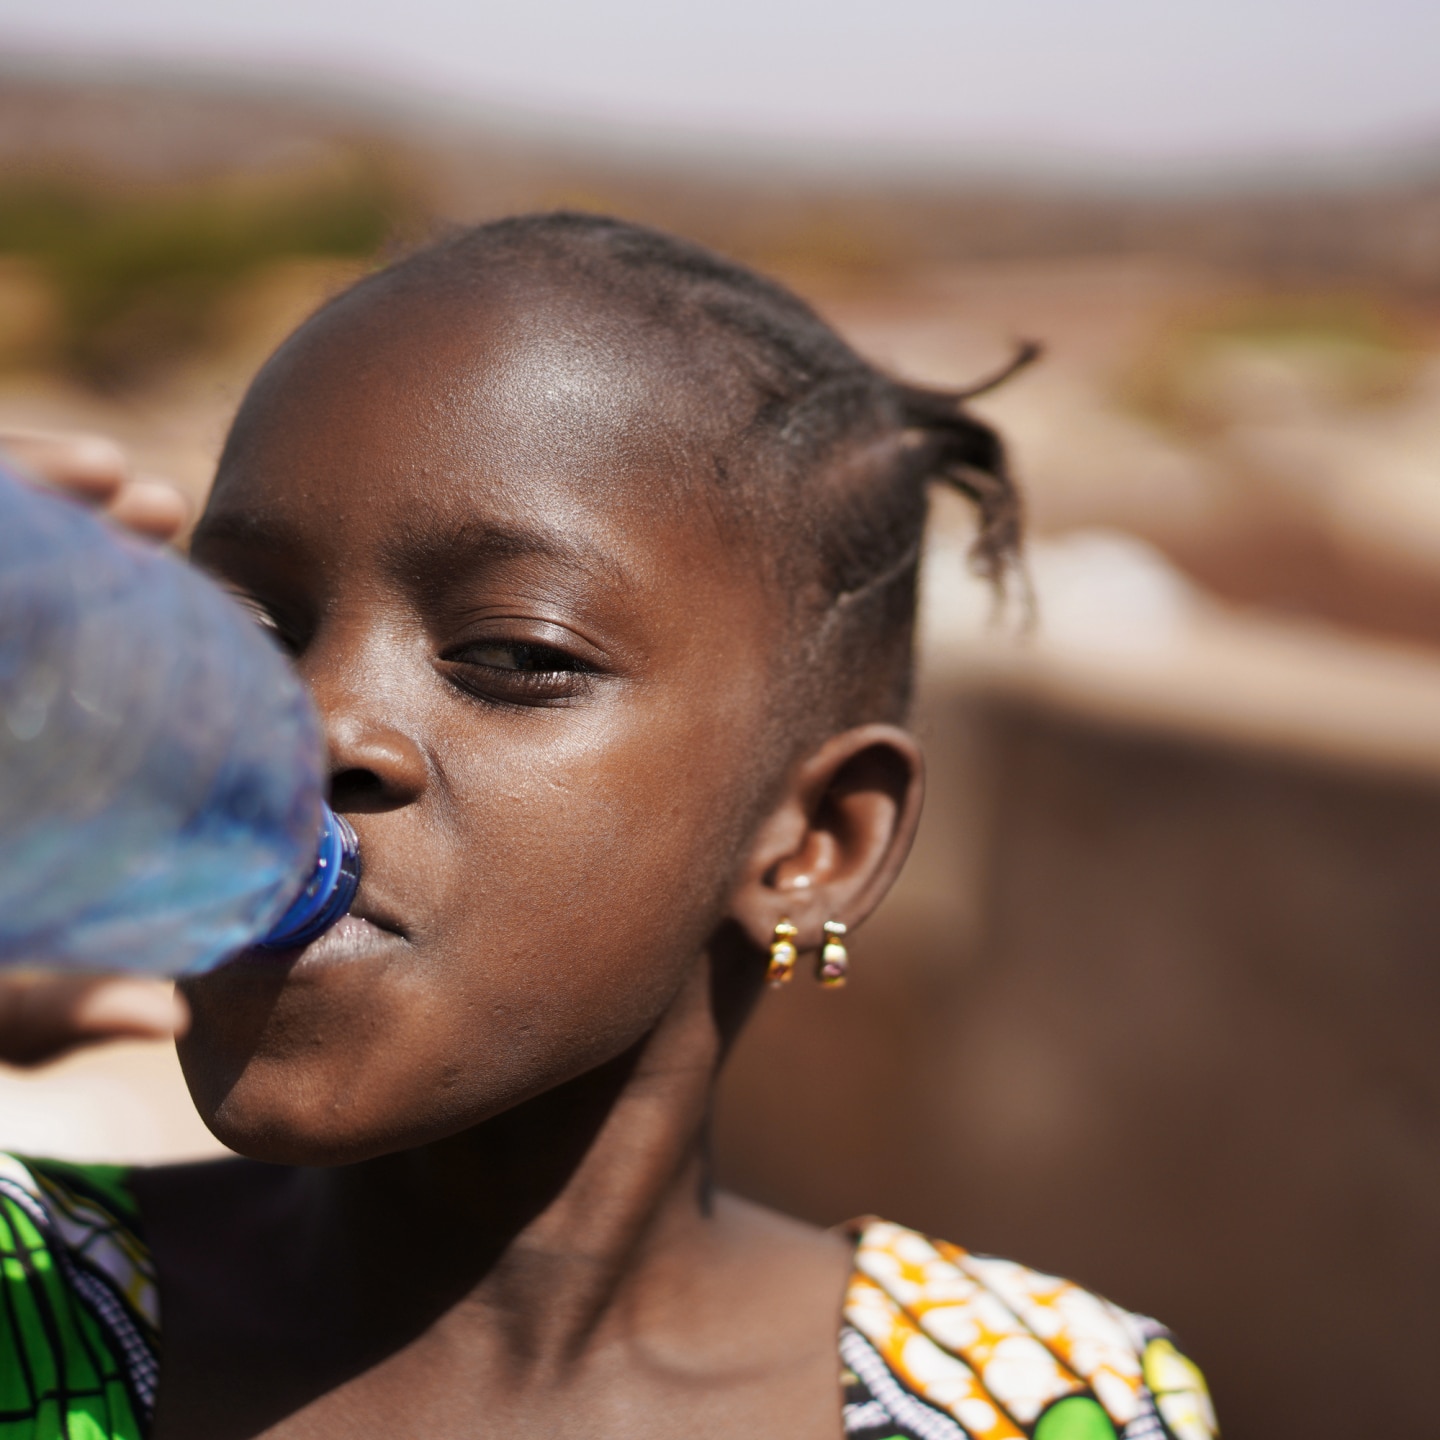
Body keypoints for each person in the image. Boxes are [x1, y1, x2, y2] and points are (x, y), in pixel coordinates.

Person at [0, 214, 1217, 1440]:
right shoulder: (23, 1298)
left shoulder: (1042, 1397)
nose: (310, 726)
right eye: (250, 631)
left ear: (813, 844)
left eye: (513, 654)